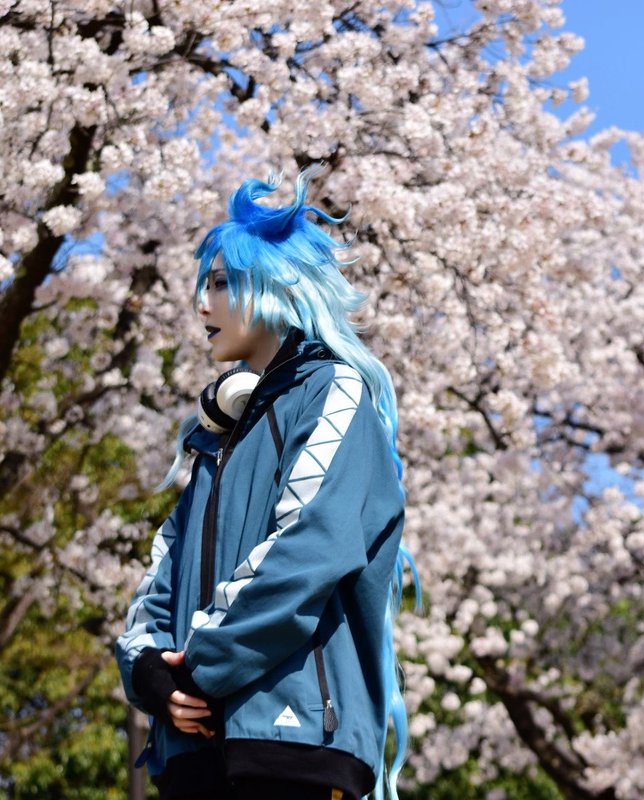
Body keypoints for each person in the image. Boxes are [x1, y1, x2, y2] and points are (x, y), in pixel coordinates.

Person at [115, 168, 418, 800]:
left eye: (222, 283)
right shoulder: (215, 440)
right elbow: (162, 575)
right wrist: (148, 672)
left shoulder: (333, 392)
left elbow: (307, 547)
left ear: (278, 284)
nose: (203, 306)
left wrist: (200, 666)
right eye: (204, 286)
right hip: (192, 757)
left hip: (293, 748)